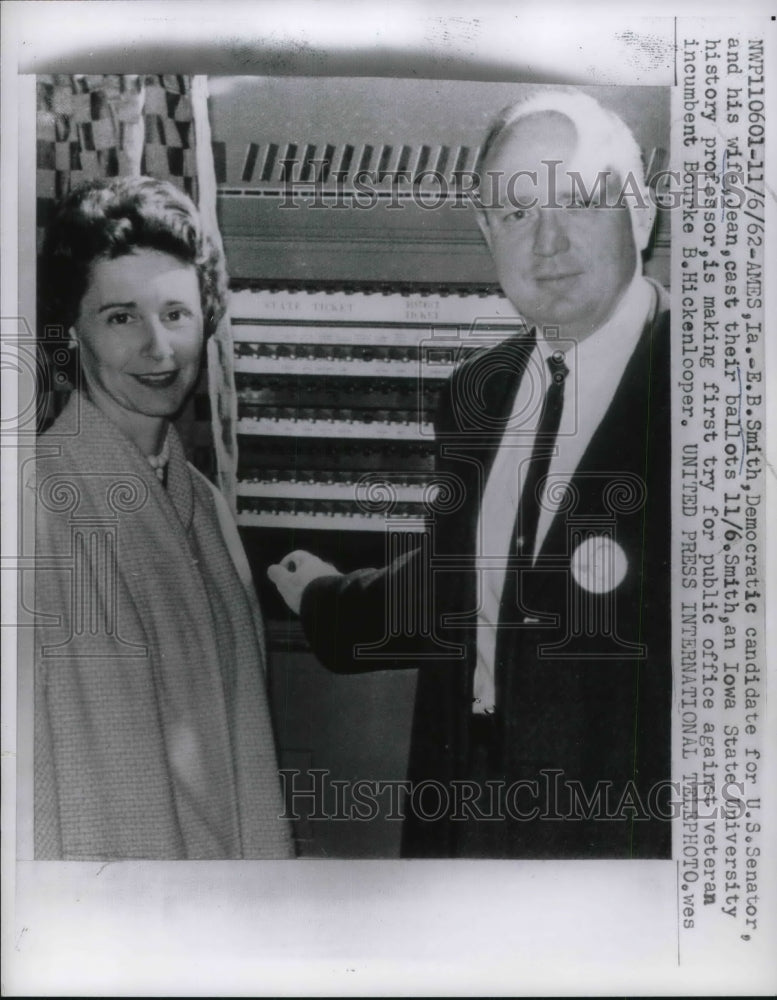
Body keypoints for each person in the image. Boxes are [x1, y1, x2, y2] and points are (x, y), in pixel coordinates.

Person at [269, 88, 671, 859]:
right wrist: (321, 600)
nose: (546, 243)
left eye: (577, 201)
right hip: (468, 807)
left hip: (623, 841)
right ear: (487, 231)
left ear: (640, 213)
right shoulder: (477, 394)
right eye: (516, 214)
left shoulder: (722, 399)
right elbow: (462, 584)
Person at [34, 176, 293, 860]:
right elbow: (80, 799)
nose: (158, 349)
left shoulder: (204, 504)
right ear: (72, 333)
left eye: (175, 314)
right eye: (121, 317)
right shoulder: (37, 509)